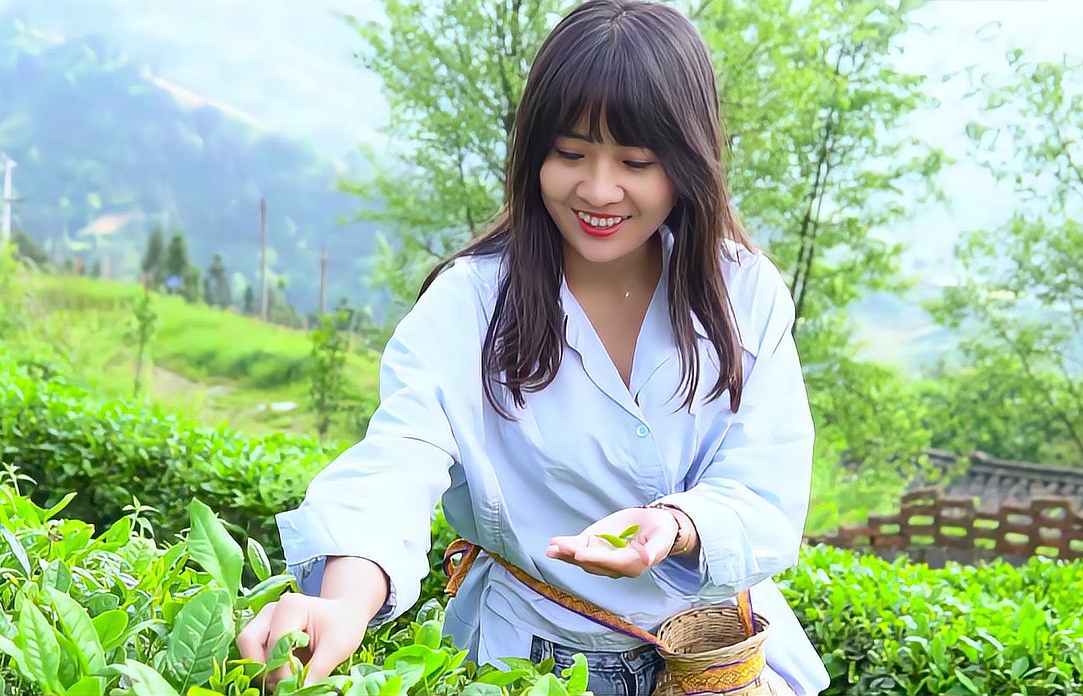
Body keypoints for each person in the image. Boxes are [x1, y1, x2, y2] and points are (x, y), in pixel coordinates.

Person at [236, 1, 830, 694]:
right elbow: (398, 459)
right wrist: (341, 602)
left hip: (715, 662)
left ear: (688, 162)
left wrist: (675, 524)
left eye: (635, 161)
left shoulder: (741, 292)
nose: (598, 189)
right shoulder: (473, 301)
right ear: (532, 152)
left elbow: (767, 485)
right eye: (569, 153)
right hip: (530, 662)